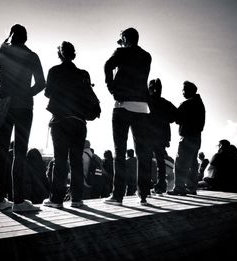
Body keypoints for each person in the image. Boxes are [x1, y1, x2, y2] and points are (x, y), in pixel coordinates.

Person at [0, 24, 45, 212]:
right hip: (23, 107)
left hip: (4, 106)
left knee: (1, 152)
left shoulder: (1, 50)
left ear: (11, 36)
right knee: (20, 153)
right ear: (26, 38)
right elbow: (41, 84)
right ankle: (19, 201)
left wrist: (6, 41)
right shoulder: (32, 56)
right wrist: (25, 93)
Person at [103, 27, 152, 206]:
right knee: (142, 153)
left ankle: (117, 195)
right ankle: (143, 195)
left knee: (119, 151)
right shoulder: (147, 56)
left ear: (124, 38)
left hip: (123, 106)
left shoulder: (121, 52)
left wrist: (112, 88)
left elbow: (108, 66)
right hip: (141, 107)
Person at [43, 41, 95, 208]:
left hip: (60, 120)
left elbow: (47, 93)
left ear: (60, 54)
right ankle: (77, 199)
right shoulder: (83, 74)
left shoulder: (54, 71)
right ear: (74, 54)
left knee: (60, 160)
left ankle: (57, 199)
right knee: (76, 161)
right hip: (79, 122)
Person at [168, 81, 205, 196]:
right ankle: (192, 188)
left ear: (189, 90)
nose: (182, 92)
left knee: (180, 163)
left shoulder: (187, 104)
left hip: (187, 137)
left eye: (183, 90)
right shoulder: (200, 104)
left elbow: (176, 119)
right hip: (197, 138)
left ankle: (179, 187)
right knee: (193, 164)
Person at [148, 78, 177, 194]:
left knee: (146, 160)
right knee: (160, 161)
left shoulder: (147, 101)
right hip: (161, 136)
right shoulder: (165, 103)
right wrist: (165, 118)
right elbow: (175, 116)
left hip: (148, 135)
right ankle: (161, 185)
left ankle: (146, 184)